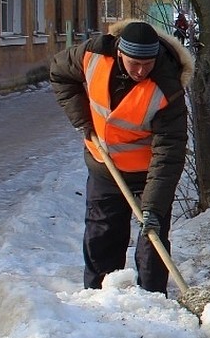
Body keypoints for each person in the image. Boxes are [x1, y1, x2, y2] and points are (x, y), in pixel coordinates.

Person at [50, 19, 193, 295]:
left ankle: (153, 302)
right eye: (134, 63)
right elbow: (59, 72)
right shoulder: (93, 55)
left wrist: (153, 206)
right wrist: (80, 117)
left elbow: (170, 150)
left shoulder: (167, 87)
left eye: (147, 64)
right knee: (101, 236)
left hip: (147, 175)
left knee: (152, 241)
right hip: (104, 167)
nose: (141, 71)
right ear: (119, 53)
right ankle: (99, 300)